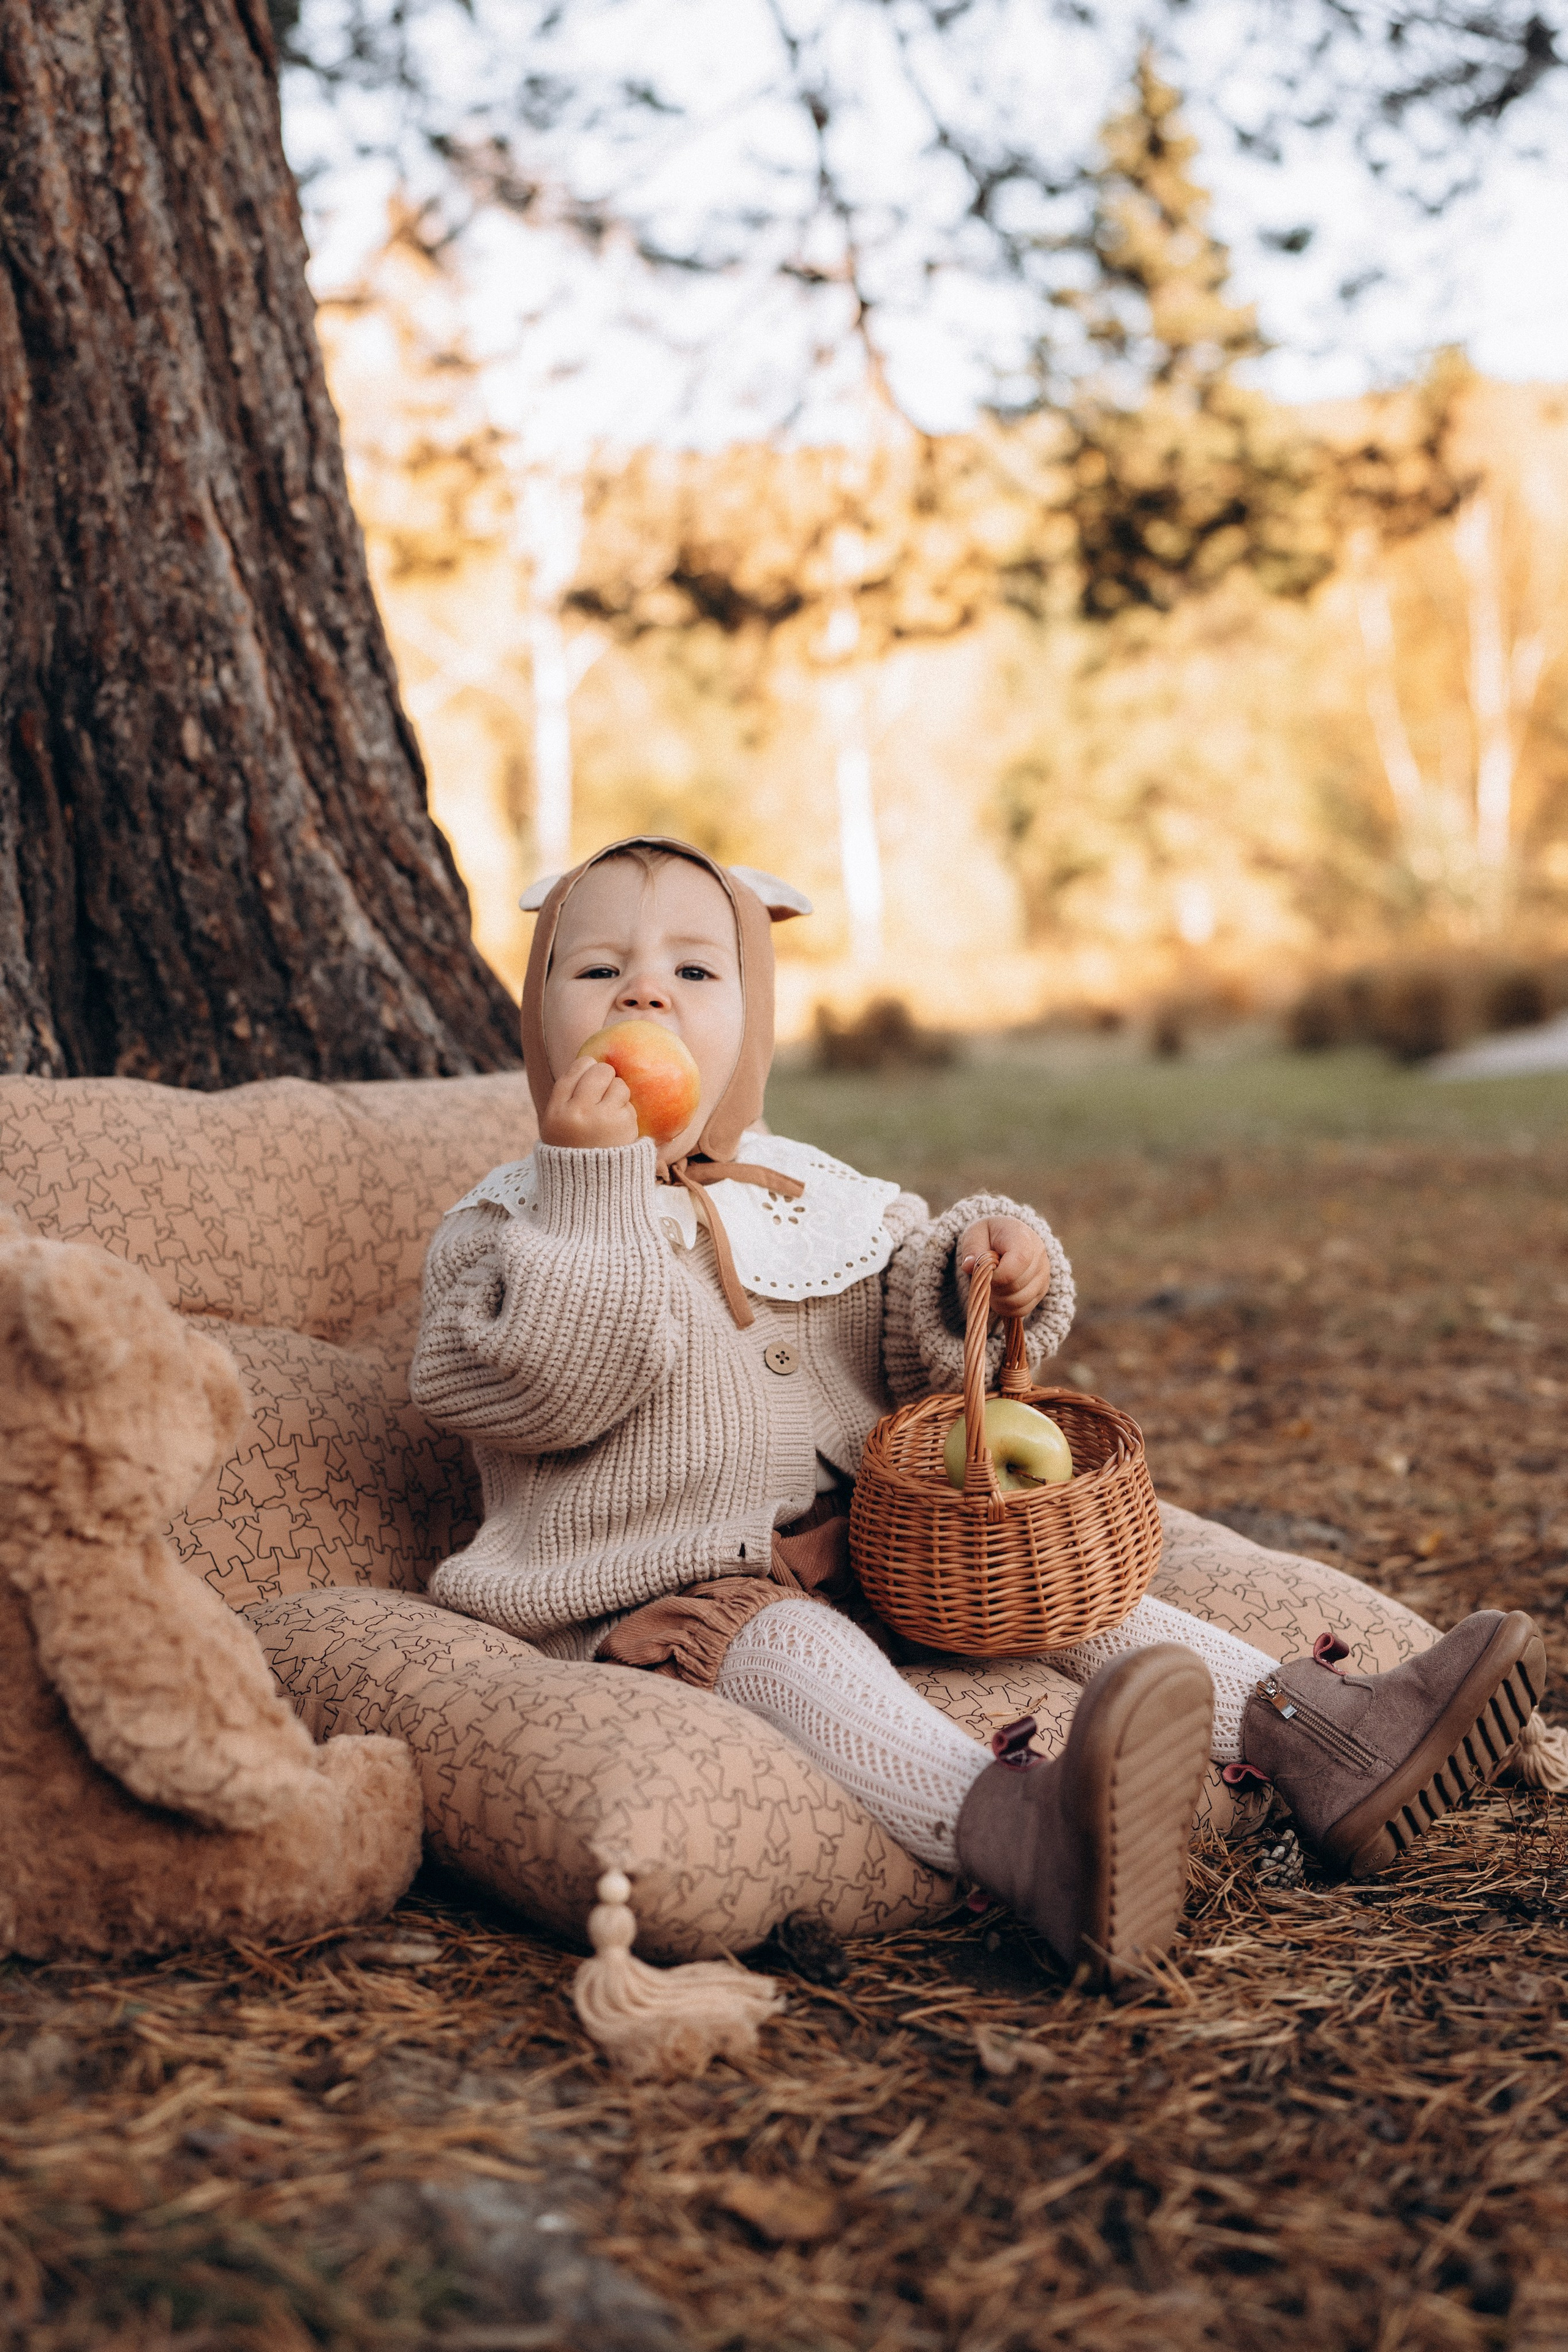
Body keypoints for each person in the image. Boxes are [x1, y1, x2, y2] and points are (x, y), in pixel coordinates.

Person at [411, 837, 1545, 1986]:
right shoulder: (510, 1227)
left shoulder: (814, 1192)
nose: (645, 993)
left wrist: (983, 1267)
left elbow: (914, 1336)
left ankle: (1330, 1738)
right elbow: (547, 1388)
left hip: (882, 1546)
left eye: (697, 973)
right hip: (668, 1587)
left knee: (1053, 1583)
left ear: (754, 1019)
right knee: (788, 1645)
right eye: (598, 969)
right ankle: (1021, 1833)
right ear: (538, 1017)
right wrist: (595, 1189)